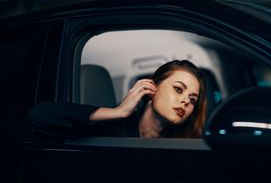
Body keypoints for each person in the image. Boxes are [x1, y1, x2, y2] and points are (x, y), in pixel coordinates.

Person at [30, 60, 207, 139]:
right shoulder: (109, 131)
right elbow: (39, 117)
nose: (186, 101)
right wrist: (118, 112)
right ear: (151, 88)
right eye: (178, 89)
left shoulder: (183, 145)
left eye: (192, 100)